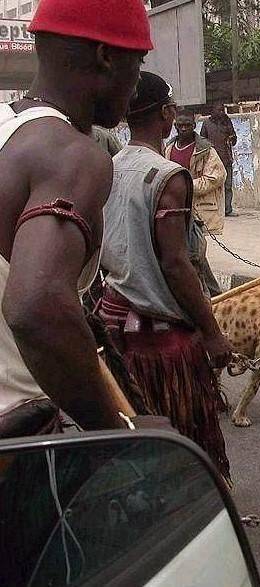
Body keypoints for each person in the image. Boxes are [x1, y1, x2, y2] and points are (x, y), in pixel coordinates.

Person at [0, 0, 153, 438]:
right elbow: (35, 306)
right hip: (19, 446)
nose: (138, 84)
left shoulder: (8, 130)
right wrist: (113, 433)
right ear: (106, 56)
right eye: (138, 62)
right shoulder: (72, 154)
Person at [97, 71, 233, 481]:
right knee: (184, 432)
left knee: (136, 432)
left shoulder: (109, 166)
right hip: (161, 340)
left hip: (114, 324)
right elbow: (176, 263)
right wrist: (212, 332)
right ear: (167, 113)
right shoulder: (167, 175)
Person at [165, 109, 227, 234]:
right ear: (175, 126)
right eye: (180, 125)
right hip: (174, 208)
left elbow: (216, 178)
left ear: (194, 125)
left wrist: (185, 186)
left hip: (199, 210)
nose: (183, 129)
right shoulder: (168, 149)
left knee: (197, 248)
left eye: (187, 125)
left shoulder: (206, 151)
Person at [201, 102, 238, 216]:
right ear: (213, 111)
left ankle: (227, 209)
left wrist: (231, 138)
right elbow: (202, 140)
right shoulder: (207, 123)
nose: (221, 113)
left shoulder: (227, 122)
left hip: (226, 158)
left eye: (222, 110)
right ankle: (214, 209)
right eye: (219, 110)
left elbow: (234, 139)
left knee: (227, 186)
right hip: (212, 160)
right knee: (213, 186)